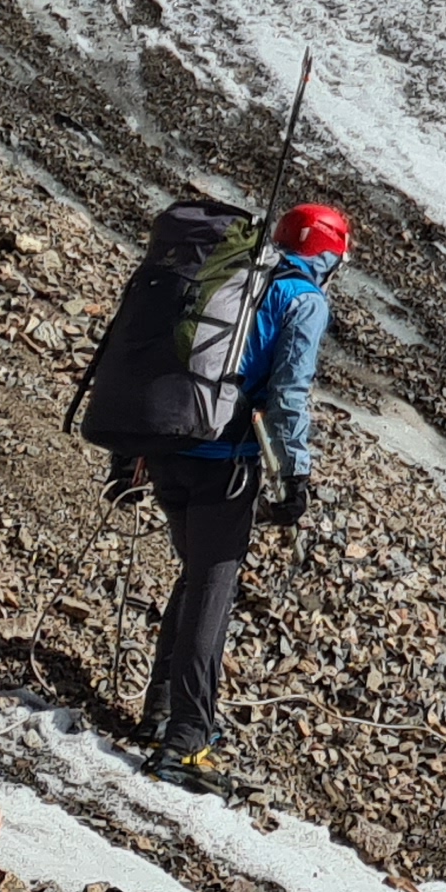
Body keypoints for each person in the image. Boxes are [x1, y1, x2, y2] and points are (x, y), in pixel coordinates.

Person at [114, 199, 346, 790]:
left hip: (167, 446)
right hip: (225, 465)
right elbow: (288, 394)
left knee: (196, 576)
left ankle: (160, 711)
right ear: (328, 257)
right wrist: (293, 476)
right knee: (212, 591)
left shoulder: (230, 275)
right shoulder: (303, 299)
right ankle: (186, 742)